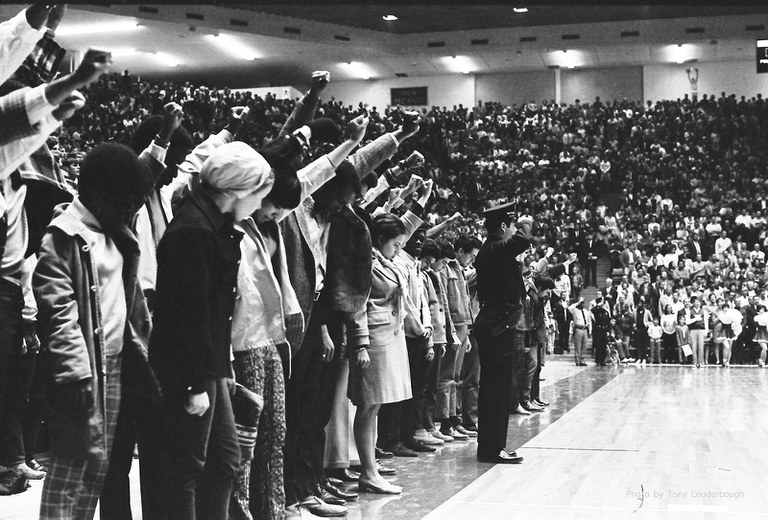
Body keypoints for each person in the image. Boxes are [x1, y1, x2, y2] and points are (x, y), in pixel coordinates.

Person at [149, 142, 275, 520]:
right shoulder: (193, 230)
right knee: (186, 467)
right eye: (259, 196)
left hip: (210, 366)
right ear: (238, 190)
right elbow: (186, 314)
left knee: (224, 460)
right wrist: (194, 383)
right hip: (190, 370)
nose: (259, 206)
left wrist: (221, 367)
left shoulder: (213, 225)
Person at [33, 143, 159, 519]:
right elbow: (58, 313)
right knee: (70, 468)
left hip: (116, 366)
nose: (129, 214)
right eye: (125, 205)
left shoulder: (112, 226)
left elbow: (143, 175)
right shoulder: (62, 237)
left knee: (97, 469)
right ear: (100, 195)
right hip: (82, 374)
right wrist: (75, 374)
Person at [347, 213, 422, 494]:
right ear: (380, 241)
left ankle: (372, 468)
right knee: (368, 406)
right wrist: (361, 343)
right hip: (374, 340)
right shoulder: (367, 261)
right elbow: (359, 303)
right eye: (395, 245)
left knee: (376, 406)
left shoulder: (389, 260)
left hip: (391, 336)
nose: (400, 250)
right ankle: (367, 471)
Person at [473, 202, 530, 464]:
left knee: (497, 389)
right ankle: (491, 448)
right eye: (512, 225)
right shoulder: (494, 249)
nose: (515, 229)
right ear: (504, 226)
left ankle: (492, 445)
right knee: (496, 390)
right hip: (497, 326)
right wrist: (524, 222)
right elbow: (522, 240)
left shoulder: (495, 251)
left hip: (499, 324)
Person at [568, 298, 592, 367]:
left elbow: (589, 321)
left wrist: (590, 330)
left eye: (583, 303)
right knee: (578, 346)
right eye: (581, 303)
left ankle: (583, 360)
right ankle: (577, 360)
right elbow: (570, 308)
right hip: (578, 328)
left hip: (585, 329)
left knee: (584, 346)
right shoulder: (575, 311)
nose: (582, 304)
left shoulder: (586, 312)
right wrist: (577, 303)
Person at [686, 298, 708, 368]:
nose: (697, 303)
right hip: (693, 330)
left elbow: (706, 321)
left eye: (699, 302)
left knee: (701, 346)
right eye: (696, 302)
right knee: (694, 346)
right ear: (693, 303)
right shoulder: (690, 311)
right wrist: (695, 319)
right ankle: (694, 362)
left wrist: (706, 330)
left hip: (701, 330)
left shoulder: (703, 311)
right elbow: (687, 322)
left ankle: (701, 362)